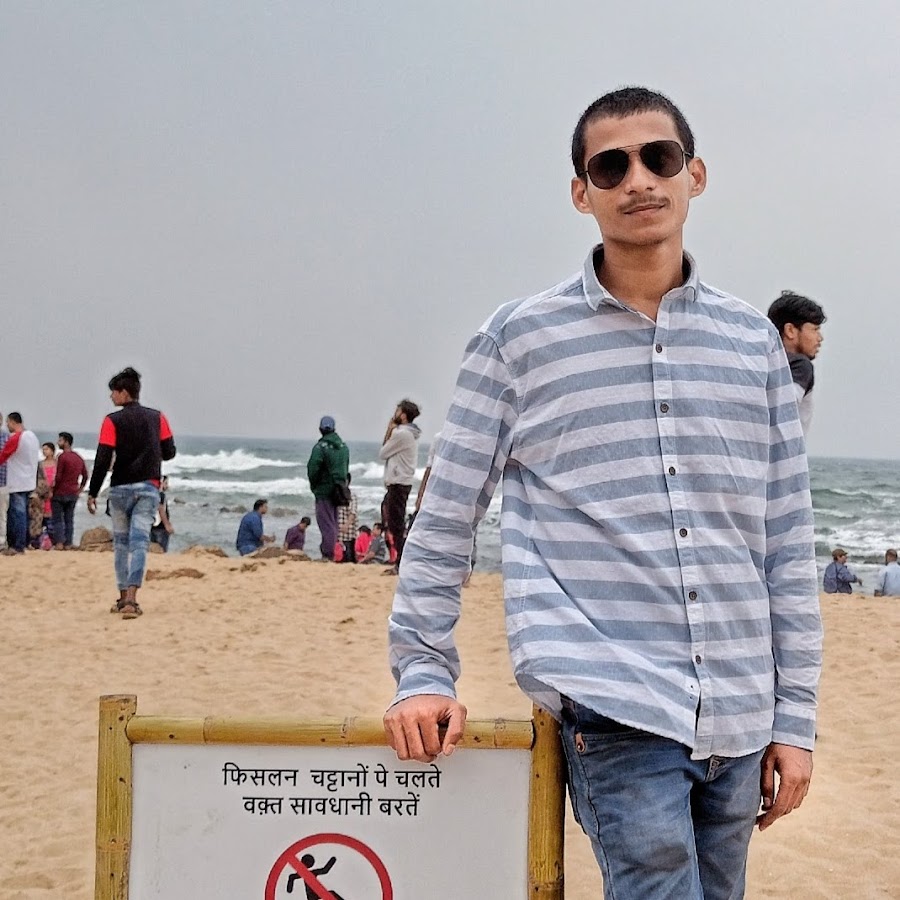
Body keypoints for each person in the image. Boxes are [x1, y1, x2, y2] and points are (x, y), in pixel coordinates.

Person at [384, 87, 822, 900]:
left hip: (741, 709)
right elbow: (445, 519)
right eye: (610, 166)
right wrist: (423, 672)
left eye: (659, 158)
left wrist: (795, 717)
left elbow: (787, 540)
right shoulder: (520, 339)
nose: (638, 179)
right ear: (582, 193)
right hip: (614, 703)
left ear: (694, 174)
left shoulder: (753, 344)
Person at [87, 367, 176, 619]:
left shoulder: (111, 421)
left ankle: (122, 595)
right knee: (139, 544)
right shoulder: (158, 418)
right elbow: (169, 452)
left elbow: (102, 458)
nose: (111, 397)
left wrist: (93, 492)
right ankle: (132, 600)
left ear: (124, 393)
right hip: (148, 488)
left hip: (120, 488)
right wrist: (150, 451)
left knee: (121, 545)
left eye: (113, 392)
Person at [766, 291, 825, 438]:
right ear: (790, 330)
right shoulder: (800, 365)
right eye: (815, 329)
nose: (820, 338)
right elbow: (785, 406)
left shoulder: (761, 362)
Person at [378, 399, 422, 574]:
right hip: (402, 481)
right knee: (394, 521)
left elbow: (383, 452)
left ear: (403, 415)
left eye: (397, 411)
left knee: (396, 524)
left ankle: (401, 562)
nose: (394, 414)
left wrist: (389, 430)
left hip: (398, 482)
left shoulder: (402, 434)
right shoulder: (409, 433)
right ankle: (401, 561)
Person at [306, 415, 350, 561]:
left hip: (324, 490)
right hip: (339, 490)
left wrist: (315, 486)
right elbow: (345, 468)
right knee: (334, 521)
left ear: (320, 429)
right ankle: (333, 552)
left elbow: (313, 469)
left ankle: (328, 554)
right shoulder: (343, 447)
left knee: (326, 523)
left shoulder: (320, 448)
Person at [0, 412, 41, 555]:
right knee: (22, 513)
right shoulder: (32, 436)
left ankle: (17, 545)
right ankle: (22, 543)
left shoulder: (16, 438)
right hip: (28, 480)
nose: (7, 425)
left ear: (13, 422)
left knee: (17, 514)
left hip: (17, 481)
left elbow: (3, 456)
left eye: (8, 423)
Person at [51, 432, 88, 549]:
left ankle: (59, 542)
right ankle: (68, 543)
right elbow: (85, 475)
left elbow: (58, 477)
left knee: (57, 519)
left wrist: (52, 489)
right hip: (73, 492)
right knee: (69, 519)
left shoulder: (62, 457)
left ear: (66, 442)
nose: (58, 442)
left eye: (60, 440)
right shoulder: (78, 457)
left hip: (60, 492)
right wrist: (80, 489)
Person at [337, 473, 359, 562]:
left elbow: (353, 513)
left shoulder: (352, 495)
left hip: (348, 533)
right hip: (337, 533)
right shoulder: (336, 494)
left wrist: (346, 525)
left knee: (348, 557)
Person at [149, 475, 175, 552]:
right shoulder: (161, 495)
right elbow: (161, 509)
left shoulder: (151, 494)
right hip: (161, 528)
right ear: (161, 483)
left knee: (152, 550)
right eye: (166, 483)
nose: (167, 486)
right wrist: (167, 525)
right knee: (162, 549)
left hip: (151, 526)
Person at [39, 442, 57, 541]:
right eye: (43, 449)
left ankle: (53, 538)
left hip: (54, 492)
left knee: (52, 515)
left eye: (46, 449)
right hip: (43, 492)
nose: (44, 451)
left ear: (52, 451)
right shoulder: (41, 464)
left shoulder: (57, 463)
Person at [0, 412, 10, 550]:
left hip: (3, 481)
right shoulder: (7, 437)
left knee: (2, 513)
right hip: (4, 480)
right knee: (2, 513)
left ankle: (2, 540)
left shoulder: (7, 437)